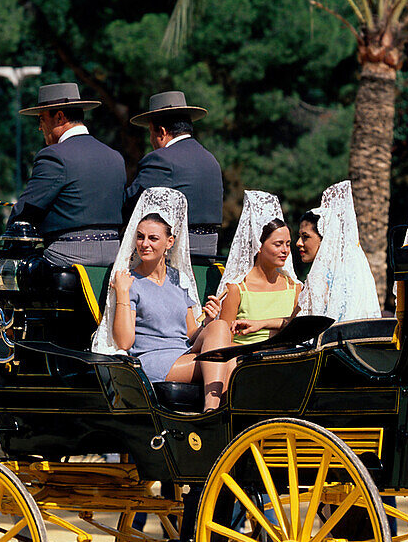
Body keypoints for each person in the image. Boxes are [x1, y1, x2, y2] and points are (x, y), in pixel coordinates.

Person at [93, 188, 233, 410]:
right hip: (155, 361)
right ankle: (213, 411)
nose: (144, 244)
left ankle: (226, 418)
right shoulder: (129, 282)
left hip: (184, 352)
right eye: (140, 237)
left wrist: (208, 321)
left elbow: (189, 333)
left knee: (221, 328)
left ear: (169, 242)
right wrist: (121, 292)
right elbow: (124, 342)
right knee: (230, 364)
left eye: (153, 238)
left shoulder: (178, 279)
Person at [8, 82, 126, 267]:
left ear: (60, 117)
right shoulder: (115, 157)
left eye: (41, 119)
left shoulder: (54, 156)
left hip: (68, 255)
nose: (40, 127)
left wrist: (10, 235)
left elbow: (26, 210)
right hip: (114, 256)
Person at [125, 91, 223, 256]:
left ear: (162, 132)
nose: (151, 139)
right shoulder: (211, 160)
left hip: (175, 252)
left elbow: (132, 205)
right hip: (209, 252)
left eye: (151, 132)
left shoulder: (161, 159)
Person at [216, 190, 302, 344]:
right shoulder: (237, 289)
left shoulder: (294, 287)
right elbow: (223, 341)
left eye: (288, 244)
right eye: (278, 244)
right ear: (259, 246)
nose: (285, 250)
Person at [297, 180, 381, 322]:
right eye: (299, 236)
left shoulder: (320, 278)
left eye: (305, 237)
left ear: (325, 240)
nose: (298, 243)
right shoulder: (355, 272)